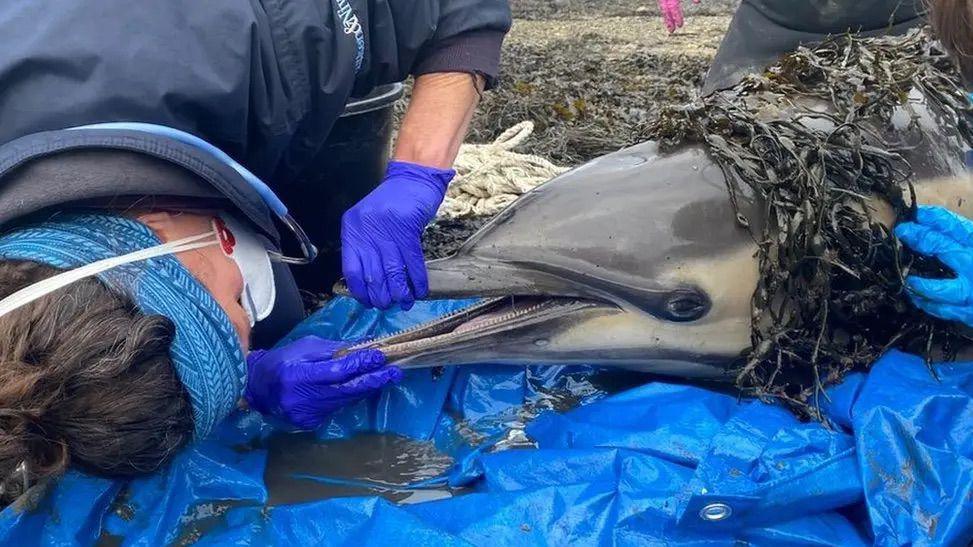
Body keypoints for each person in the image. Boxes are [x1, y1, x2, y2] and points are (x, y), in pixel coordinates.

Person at [0, 0, 511, 495]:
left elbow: (458, 13)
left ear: (157, 228)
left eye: (232, 313)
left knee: (280, 319)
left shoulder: (270, 38)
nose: (246, 331)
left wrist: (417, 174)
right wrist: (245, 385)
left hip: (218, 61)